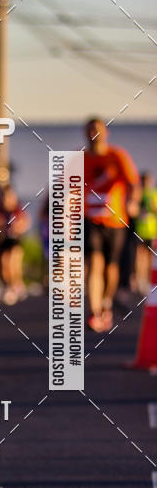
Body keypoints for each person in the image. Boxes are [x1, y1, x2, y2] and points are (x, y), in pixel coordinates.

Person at [84, 117, 140, 332]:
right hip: (91, 219)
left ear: (105, 133)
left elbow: (133, 182)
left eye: (97, 130)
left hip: (115, 221)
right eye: (90, 130)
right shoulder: (81, 158)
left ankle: (106, 304)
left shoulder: (116, 156)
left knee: (111, 267)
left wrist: (133, 202)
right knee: (94, 263)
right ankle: (95, 311)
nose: (93, 134)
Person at [0, 184, 30, 305]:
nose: (6, 200)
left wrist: (18, 227)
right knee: (3, 266)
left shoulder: (17, 209)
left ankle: (17, 284)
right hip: (1, 240)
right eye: (3, 197)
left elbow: (25, 222)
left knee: (13, 264)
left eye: (8, 197)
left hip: (14, 240)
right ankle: (8, 286)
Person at [134, 171, 157, 293]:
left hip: (152, 231)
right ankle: (140, 281)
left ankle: (147, 281)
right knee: (140, 257)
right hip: (140, 231)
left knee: (149, 258)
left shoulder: (154, 194)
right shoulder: (138, 194)